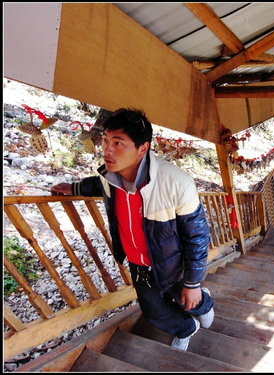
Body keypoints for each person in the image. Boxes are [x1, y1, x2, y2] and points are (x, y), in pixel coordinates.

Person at [51, 108, 214, 351]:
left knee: (188, 298)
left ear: (142, 148)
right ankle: (186, 328)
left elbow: (197, 236)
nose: (107, 149)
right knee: (153, 311)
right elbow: (99, 184)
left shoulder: (177, 183)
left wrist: (193, 284)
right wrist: (74, 188)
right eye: (106, 140)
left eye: (118, 143)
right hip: (139, 265)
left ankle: (205, 303)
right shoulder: (110, 177)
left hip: (174, 262)